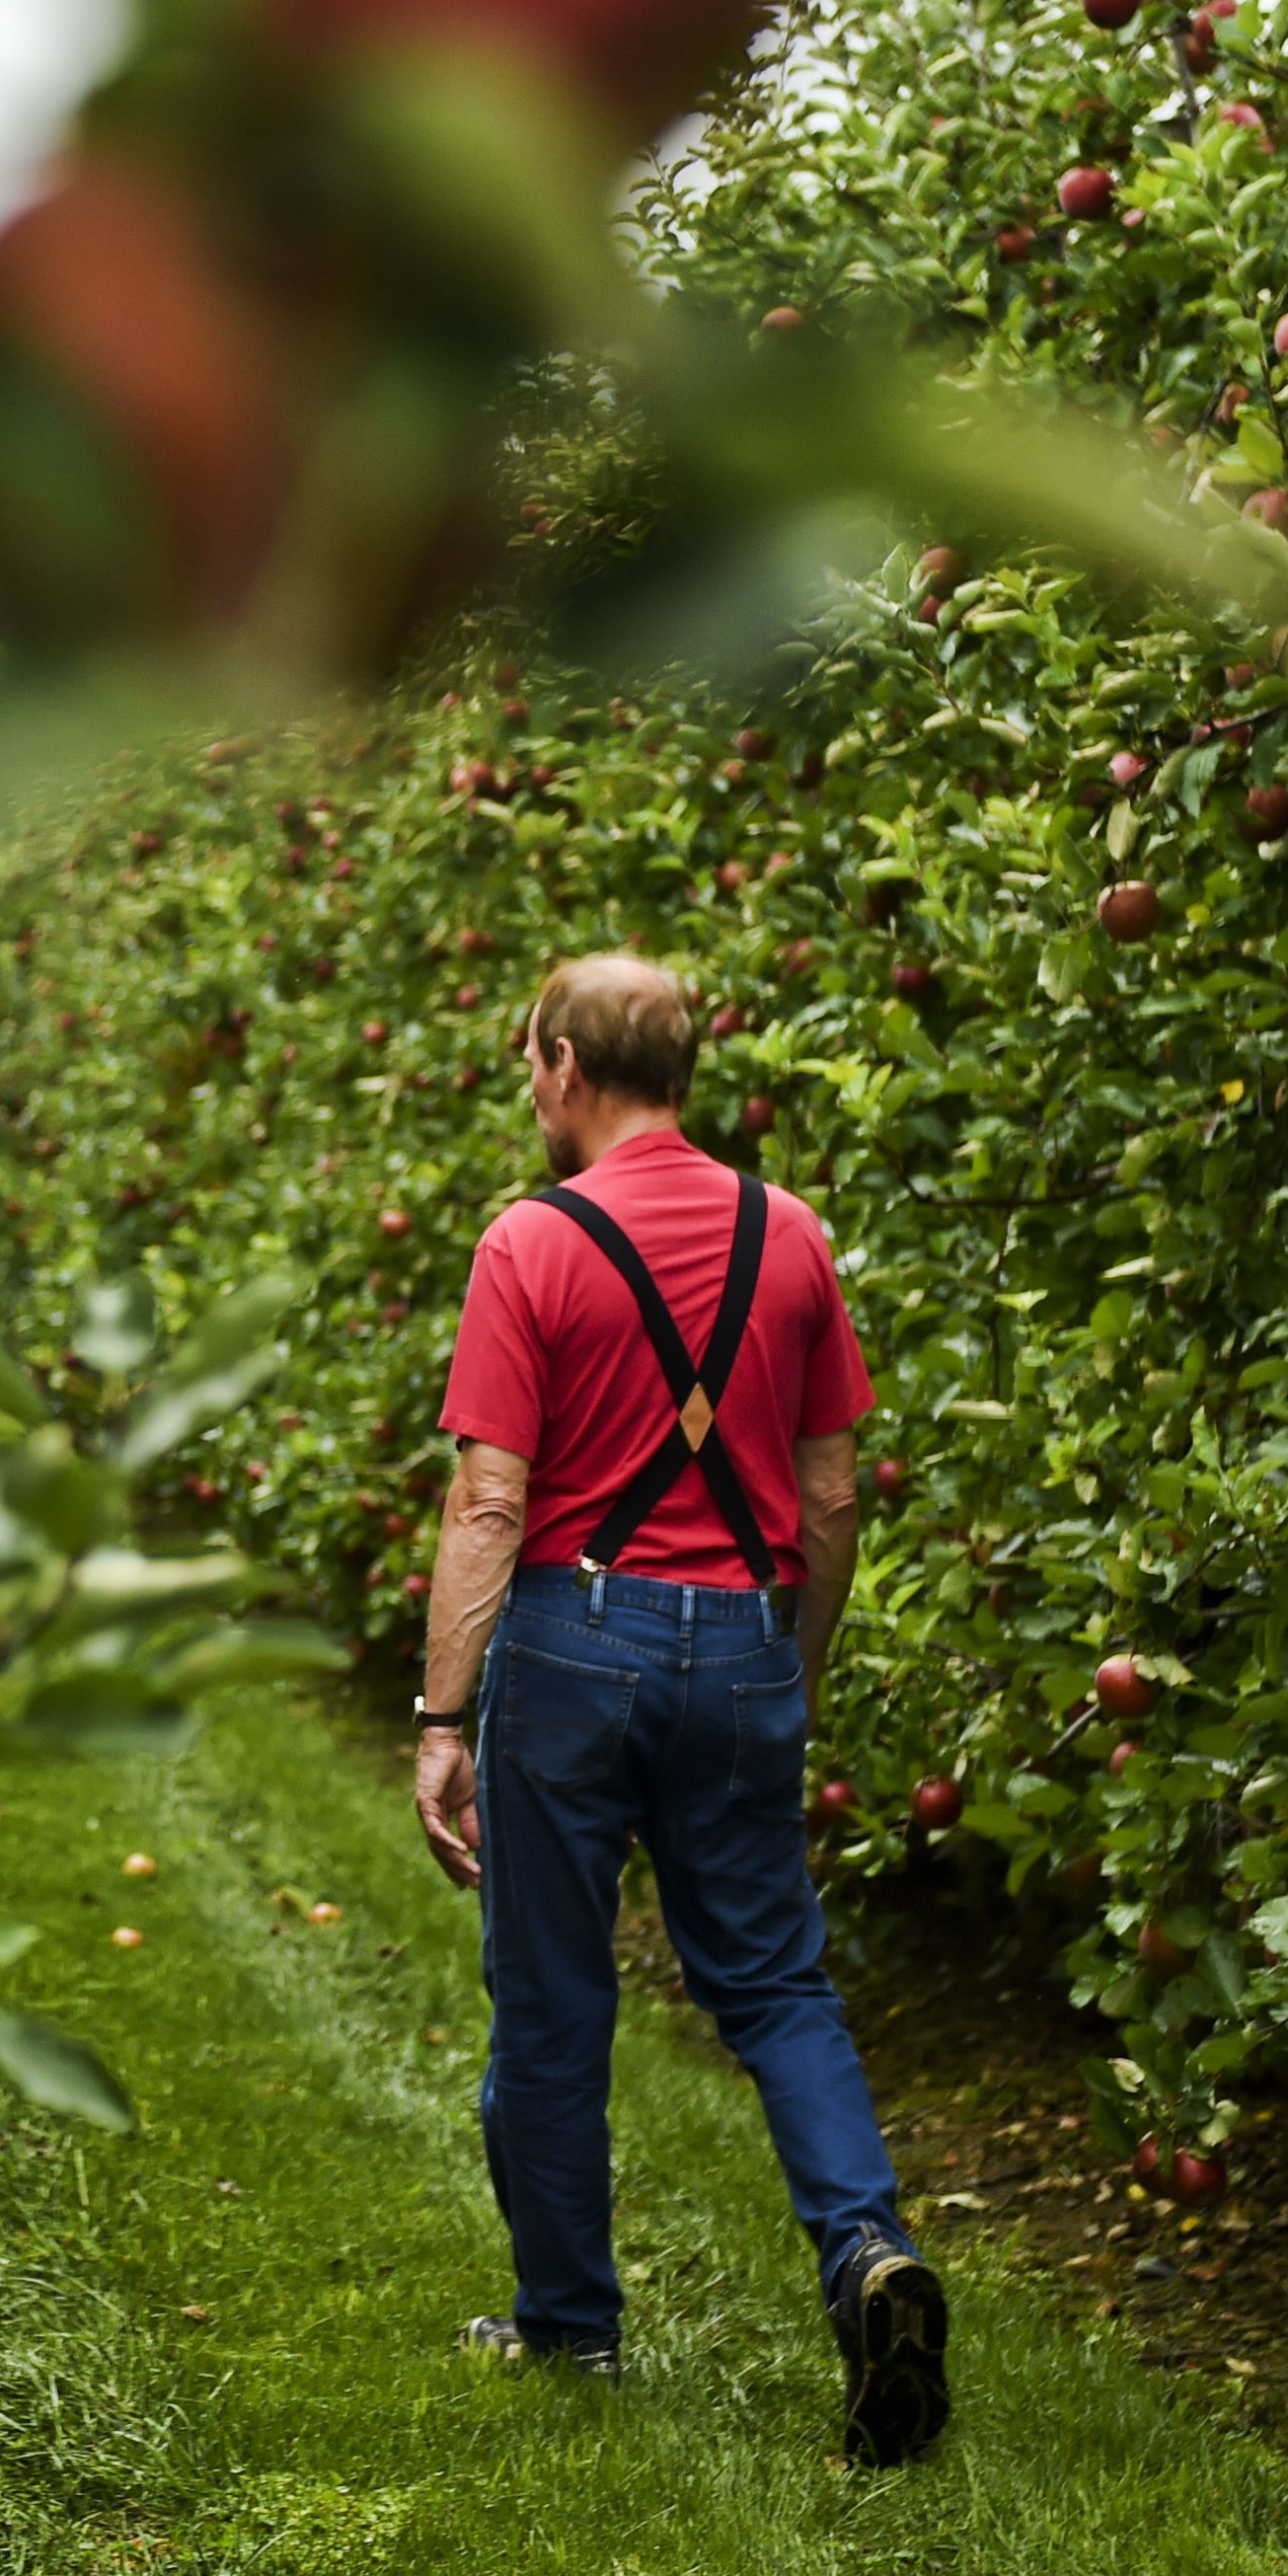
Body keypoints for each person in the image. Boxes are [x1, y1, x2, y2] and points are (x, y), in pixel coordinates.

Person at [407, 948, 946, 2467]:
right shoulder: (794, 1236)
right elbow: (832, 1492)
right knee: (775, 1985)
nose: (531, 1086)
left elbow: (490, 1500)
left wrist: (446, 1714)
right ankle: (867, 2254)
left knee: (558, 1995)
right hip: (742, 1642)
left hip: (575, 1644)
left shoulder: (530, 1242)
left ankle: (570, 2324)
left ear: (569, 1066)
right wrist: (802, 1659)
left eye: (531, 1060)